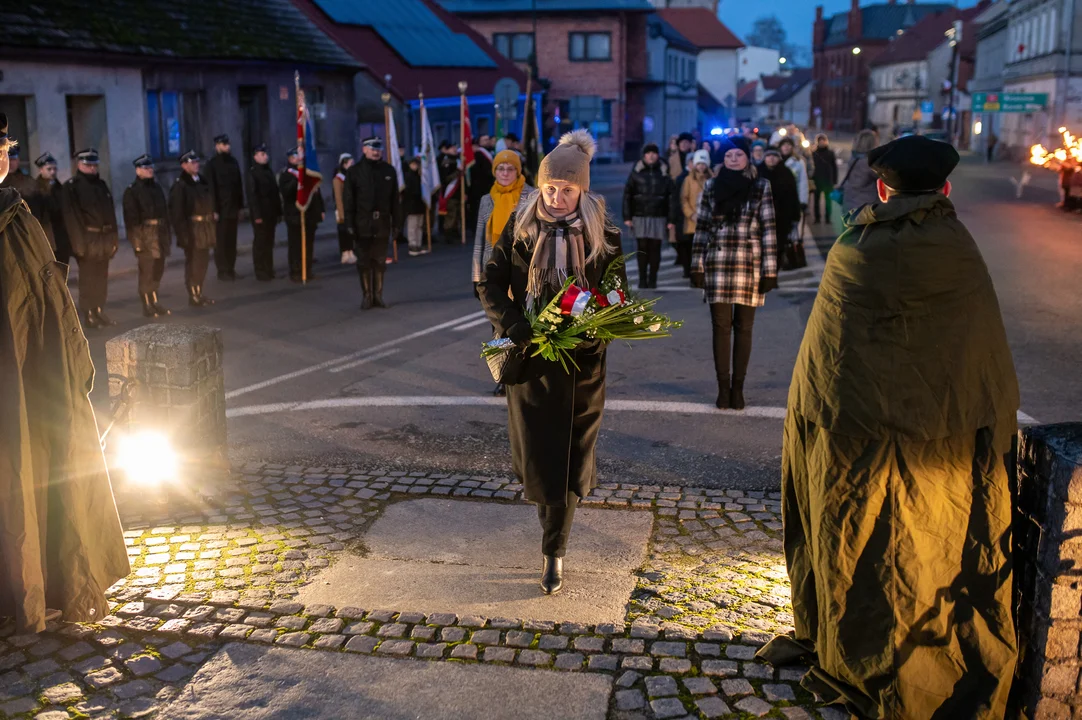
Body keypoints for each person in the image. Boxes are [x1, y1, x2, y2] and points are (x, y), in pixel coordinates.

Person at [759, 134, 1019, 720]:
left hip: (856, 434)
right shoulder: (960, 248)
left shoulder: (857, 248)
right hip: (945, 437)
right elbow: (981, 353)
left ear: (882, 187)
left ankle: (854, 638)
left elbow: (824, 358)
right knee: (930, 545)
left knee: (863, 540)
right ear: (946, 188)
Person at [477, 129, 625, 596]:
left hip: (583, 364)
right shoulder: (520, 227)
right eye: (550, 188)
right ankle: (551, 536)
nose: (557, 198)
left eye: (567, 189)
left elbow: (618, 294)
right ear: (539, 186)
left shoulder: (605, 233)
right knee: (539, 459)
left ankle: (553, 552)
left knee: (571, 458)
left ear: (582, 189)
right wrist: (512, 323)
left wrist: (597, 324)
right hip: (533, 361)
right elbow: (489, 281)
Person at [0, 115, 130, 635]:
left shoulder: (16, 211)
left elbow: (44, 297)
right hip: (13, 384)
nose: (3, 158)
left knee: (45, 479)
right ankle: (22, 590)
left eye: (4, 147)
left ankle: (50, 584)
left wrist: (70, 359)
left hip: (38, 379)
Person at [690, 135, 777, 411]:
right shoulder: (712, 187)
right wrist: (697, 265)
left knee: (744, 328)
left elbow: (769, 229)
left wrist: (770, 271)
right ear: (722, 160)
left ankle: (738, 389)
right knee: (721, 327)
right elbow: (702, 227)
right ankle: (722, 389)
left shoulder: (761, 186)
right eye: (729, 156)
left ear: (748, 157)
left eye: (739, 154)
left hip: (749, 264)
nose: (734, 159)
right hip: (717, 262)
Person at [59, 148, 119, 329]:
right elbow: (72, 218)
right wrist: (79, 245)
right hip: (87, 239)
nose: (92, 168)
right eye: (88, 165)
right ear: (79, 165)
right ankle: (89, 314)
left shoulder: (101, 185)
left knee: (101, 277)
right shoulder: (72, 187)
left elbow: (111, 214)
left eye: (94, 165)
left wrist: (114, 240)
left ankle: (99, 310)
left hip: (104, 238)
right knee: (88, 279)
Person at [343, 136, 400, 309]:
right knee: (364, 261)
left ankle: (378, 295)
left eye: (378, 149)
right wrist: (349, 225)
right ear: (364, 150)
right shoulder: (354, 172)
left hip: (382, 223)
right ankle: (367, 295)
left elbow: (395, 201)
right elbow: (349, 201)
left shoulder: (389, 171)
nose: (376, 152)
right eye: (372, 149)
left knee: (380, 261)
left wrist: (397, 224)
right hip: (362, 224)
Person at [121, 154, 171, 317]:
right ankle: (147, 303)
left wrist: (167, 237)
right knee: (147, 272)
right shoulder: (132, 191)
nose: (150, 170)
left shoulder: (156, 188)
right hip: (144, 236)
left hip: (160, 234)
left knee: (158, 269)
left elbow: (165, 213)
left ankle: (155, 300)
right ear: (138, 170)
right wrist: (137, 242)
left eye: (151, 167)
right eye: (146, 168)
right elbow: (131, 220)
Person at [622, 143, 674, 289]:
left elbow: (671, 197)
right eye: (648, 153)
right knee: (642, 248)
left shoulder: (664, 173)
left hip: (658, 216)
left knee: (655, 248)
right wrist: (627, 216)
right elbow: (627, 195)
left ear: (657, 155)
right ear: (644, 156)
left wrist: (671, 219)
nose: (651, 156)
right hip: (640, 215)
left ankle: (653, 279)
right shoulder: (636, 172)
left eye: (654, 153)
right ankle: (642, 279)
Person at [168, 150, 216, 307]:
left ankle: (200, 291)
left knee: (203, 262)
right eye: (192, 163)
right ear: (183, 165)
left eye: (196, 162)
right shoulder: (181, 185)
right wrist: (183, 235)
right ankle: (193, 294)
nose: (196, 165)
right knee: (194, 263)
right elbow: (177, 213)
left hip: (205, 227)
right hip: (192, 229)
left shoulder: (201, 181)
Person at [278, 146, 325, 282]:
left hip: (310, 214)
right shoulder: (286, 175)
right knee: (296, 245)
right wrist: (298, 181)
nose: (300, 160)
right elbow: (287, 193)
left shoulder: (308, 173)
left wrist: (320, 210)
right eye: (297, 158)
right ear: (291, 159)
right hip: (295, 215)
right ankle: (296, 271)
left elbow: (316, 193)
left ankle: (307, 270)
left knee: (308, 245)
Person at [205, 134, 245, 280]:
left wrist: (241, 206)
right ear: (217, 146)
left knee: (231, 241)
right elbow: (211, 189)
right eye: (223, 144)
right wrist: (213, 209)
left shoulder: (233, 162)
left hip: (232, 208)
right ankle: (222, 270)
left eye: (227, 144)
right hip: (220, 209)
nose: (227, 146)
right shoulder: (212, 165)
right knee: (221, 241)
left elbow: (238, 186)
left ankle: (231, 268)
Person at [245, 143, 281, 281]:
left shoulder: (268, 171)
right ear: (255, 157)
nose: (265, 156)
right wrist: (257, 215)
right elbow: (252, 196)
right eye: (262, 154)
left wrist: (278, 212)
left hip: (270, 213)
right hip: (261, 214)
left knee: (269, 242)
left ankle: (269, 268)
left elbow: (275, 193)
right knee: (261, 242)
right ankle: (260, 270)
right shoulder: (253, 173)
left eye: (265, 154)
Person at [759, 147, 800, 267]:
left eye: (774, 156)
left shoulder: (786, 173)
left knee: (779, 246)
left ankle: (774, 272)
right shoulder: (758, 172)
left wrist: (795, 216)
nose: (771, 159)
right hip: (762, 217)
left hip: (783, 217)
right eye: (768, 156)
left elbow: (793, 195)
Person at [27, 152, 71, 263]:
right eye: (49, 169)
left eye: (55, 169)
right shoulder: (35, 189)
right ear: (41, 170)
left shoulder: (60, 187)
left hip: (61, 238)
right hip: (48, 238)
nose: (53, 172)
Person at [678, 149, 711, 279]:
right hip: (693, 221)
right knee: (693, 251)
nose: (701, 166)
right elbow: (684, 199)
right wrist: (691, 214)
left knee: (706, 251)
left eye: (703, 163)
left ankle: (704, 275)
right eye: (699, 163)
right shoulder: (688, 180)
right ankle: (694, 276)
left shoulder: (711, 179)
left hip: (708, 221)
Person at [837, 129, 880, 216]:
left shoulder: (854, 157)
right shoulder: (870, 163)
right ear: (871, 143)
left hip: (849, 204)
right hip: (864, 208)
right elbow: (885, 177)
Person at [333, 153, 357, 265]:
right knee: (343, 231)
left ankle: (351, 251)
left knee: (351, 231)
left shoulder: (351, 175)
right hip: (342, 210)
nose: (352, 165)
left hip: (351, 208)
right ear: (344, 164)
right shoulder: (338, 179)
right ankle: (344, 252)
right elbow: (338, 197)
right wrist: (342, 213)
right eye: (350, 163)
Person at [810, 134, 838, 224]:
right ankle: (817, 218)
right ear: (817, 142)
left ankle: (827, 218)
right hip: (817, 180)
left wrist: (834, 180)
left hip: (828, 180)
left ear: (826, 141)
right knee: (816, 201)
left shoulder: (830, 153)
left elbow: (834, 167)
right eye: (820, 141)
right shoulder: (813, 153)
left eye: (823, 140)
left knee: (828, 201)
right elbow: (811, 167)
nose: (822, 142)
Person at [402, 157, 427, 256]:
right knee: (412, 225)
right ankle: (412, 244)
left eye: (417, 165)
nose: (415, 166)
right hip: (412, 204)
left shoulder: (419, 176)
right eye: (413, 164)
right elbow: (408, 191)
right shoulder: (408, 176)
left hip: (419, 204)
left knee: (419, 225)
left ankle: (418, 243)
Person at [778, 137, 809, 218]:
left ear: (792, 147)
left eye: (788, 145)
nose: (786, 147)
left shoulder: (798, 162)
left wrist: (803, 201)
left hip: (793, 198)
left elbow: (803, 182)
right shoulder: (776, 160)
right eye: (784, 145)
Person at [438, 141, 461, 243]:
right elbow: (446, 178)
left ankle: (455, 232)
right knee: (450, 215)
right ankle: (448, 234)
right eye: (452, 148)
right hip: (450, 192)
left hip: (458, 192)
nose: (454, 149)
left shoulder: (458, 160)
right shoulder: (446, 162)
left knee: (457, 214)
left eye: (454, 147)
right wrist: (458, 172)